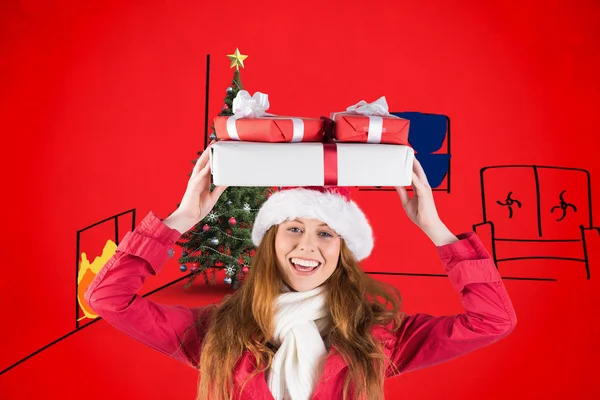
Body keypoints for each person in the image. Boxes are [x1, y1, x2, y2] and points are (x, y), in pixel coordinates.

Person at [84, 142, 517, 400]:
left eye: (326, 234)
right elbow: (108, 299)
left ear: (344, 251)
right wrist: (180, 218)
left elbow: (492, 321)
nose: (307, 245)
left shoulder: (377, 339)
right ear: (271, 239)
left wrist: (438, 232)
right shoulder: (217, 332)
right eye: (293, 228)